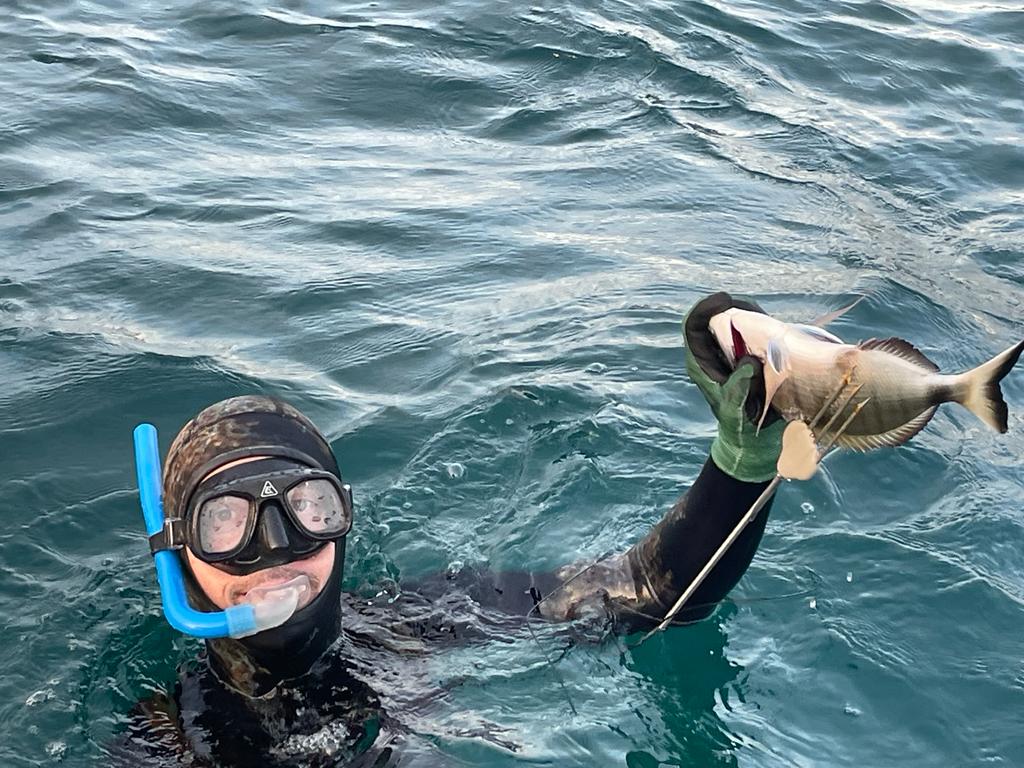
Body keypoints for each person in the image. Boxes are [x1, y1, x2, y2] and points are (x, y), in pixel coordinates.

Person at [110, 293, 788, 767]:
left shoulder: (421, 620)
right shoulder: (163, 741)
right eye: (224, 523)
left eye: (307, 509)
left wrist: (743, 463)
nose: (275, 551)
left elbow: (646, 588)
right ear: (177, 550)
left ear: (342, 519)